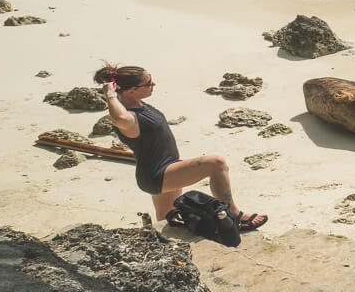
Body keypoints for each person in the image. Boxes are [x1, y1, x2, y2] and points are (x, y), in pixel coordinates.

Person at [95, 63, 267, 232]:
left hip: (163, 170)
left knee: (167, 221)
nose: (153, 84)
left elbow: (123, 79)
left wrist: (116, 75)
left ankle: (166, 245)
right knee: (216, 163)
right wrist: (110, 94)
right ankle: (235, 216)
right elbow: (119, 118)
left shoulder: (138, 104)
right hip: (159, 174)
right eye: (148, 83)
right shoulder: (129, 118)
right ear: (131, 90)